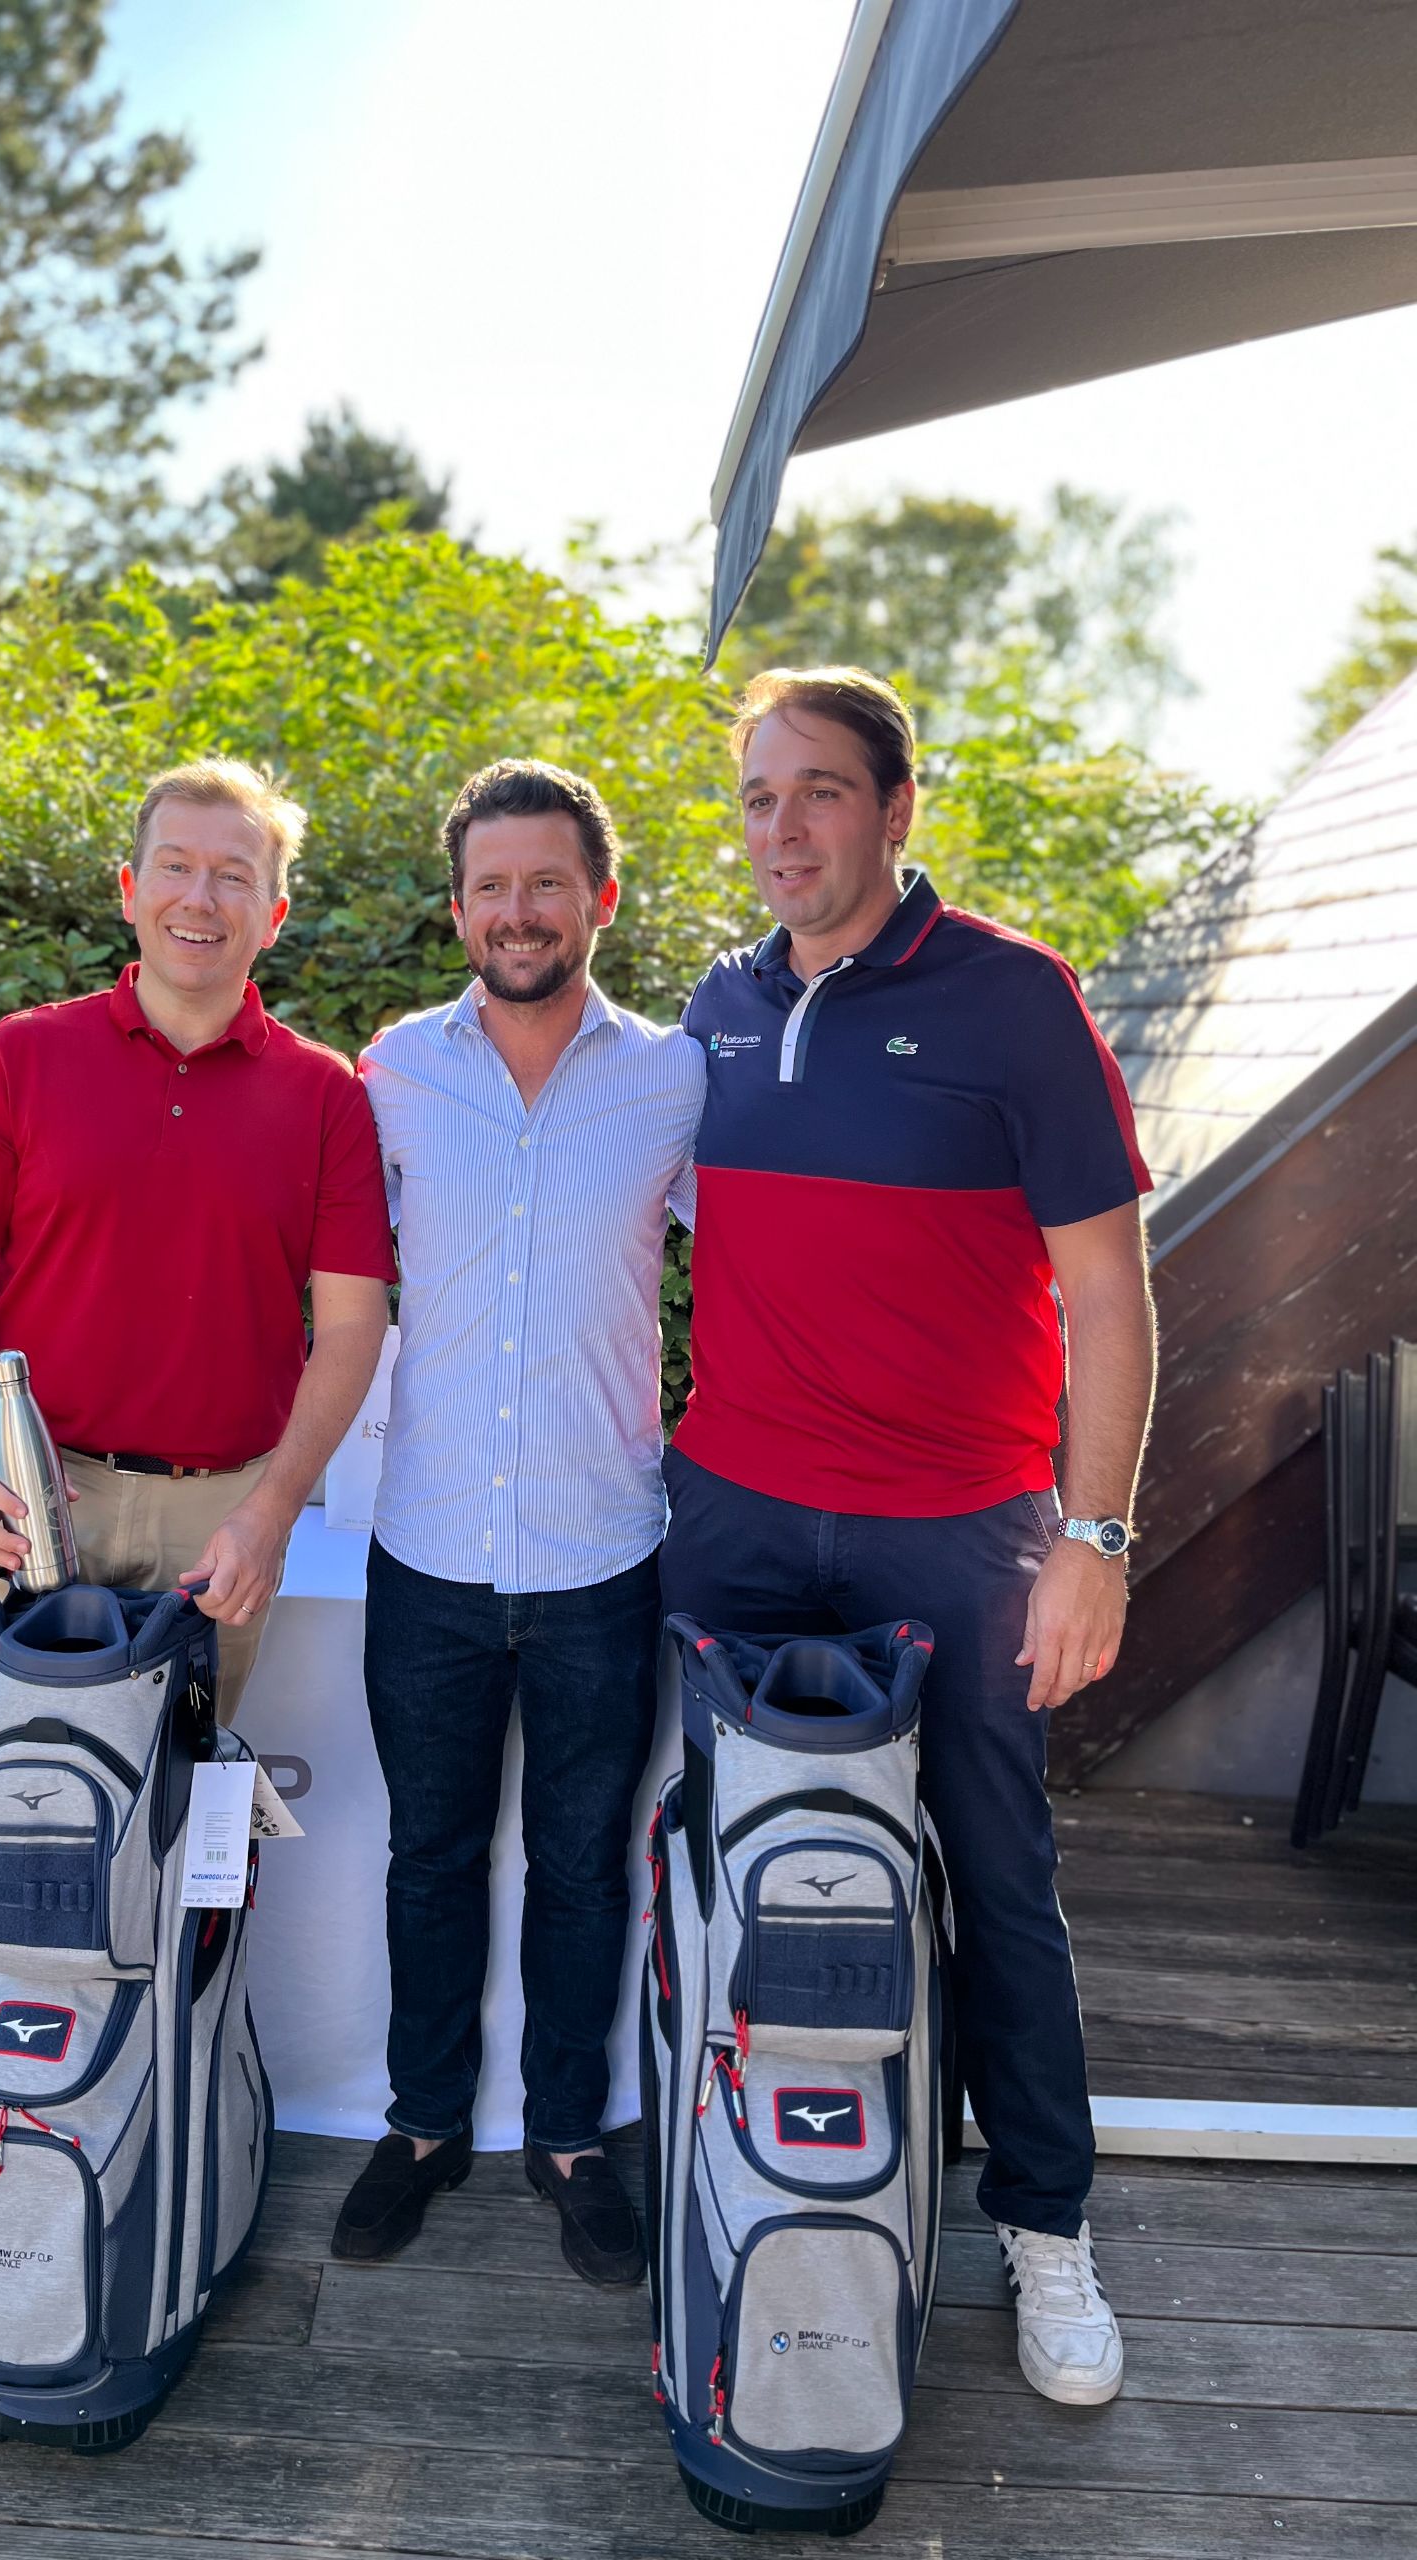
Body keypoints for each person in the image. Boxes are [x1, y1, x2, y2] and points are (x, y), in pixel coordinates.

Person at [660, 666, 1154, 2405]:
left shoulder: (1015, 997)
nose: (781, 827)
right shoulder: (717, 1007)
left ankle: (1043, 2222)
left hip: (959, 1527)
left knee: (994, 1876)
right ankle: (732, 2169)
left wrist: (1095, 1534)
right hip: (731, 1518)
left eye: (819, 790)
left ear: (895, 807)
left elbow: (1110, 1291)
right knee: (731, 1864)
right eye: (757, 795)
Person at [0, 756, 395, 2304]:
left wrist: (277, 1508)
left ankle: (148, 2112)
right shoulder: (25, 1059)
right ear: (129, 888)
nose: (201, 897)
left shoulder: (324, 1098)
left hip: (223, 1515)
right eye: (178, 866)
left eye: (237, 875)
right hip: (33, 1500)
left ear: (275, 912)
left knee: (175, 1840)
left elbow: (351, 1324)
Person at [332, 759, 705, 2284]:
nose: (520, 911)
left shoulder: (677, 1080)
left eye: (548, 882)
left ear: (599, 899)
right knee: (428, 1856)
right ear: (459, 910)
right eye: (492, 887)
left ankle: (567, 2140)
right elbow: (323, 1278)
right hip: (426, 1547)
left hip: (602, 1548)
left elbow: (767, 1274)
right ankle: (423, 2127)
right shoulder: (390, 1074)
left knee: (581, 1863)